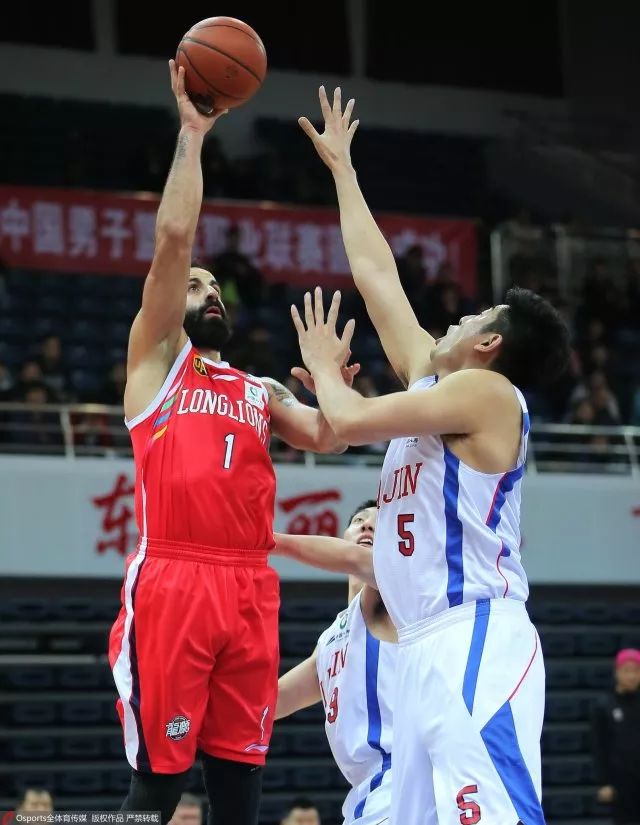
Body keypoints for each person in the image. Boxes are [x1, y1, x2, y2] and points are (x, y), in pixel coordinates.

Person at [292, 86, 572, 825]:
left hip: (473, 628)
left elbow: (349, 420)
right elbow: (378, 278)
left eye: (475, 315)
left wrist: (323, 366)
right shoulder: (440, 380)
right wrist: (343, 172)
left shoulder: (484, 395)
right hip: (421, 644)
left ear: (488, 345)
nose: (457, 314)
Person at [108, 63, 354, 825]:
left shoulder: (259, 391)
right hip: (176, 578)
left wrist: (328, 384)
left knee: (240, 786)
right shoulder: (156, 361)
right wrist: (192, 133)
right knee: (158, 787)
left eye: (217, 289)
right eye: (195, 287)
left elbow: (328, 436)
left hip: (250, 586)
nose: (209, 292)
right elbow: (177, 234)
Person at [275, 501, 395, 825]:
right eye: (359, 520)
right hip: (365, 794)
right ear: (344, 535)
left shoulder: (397, 596)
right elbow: (274, 700)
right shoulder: (330, 639)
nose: (367, 526)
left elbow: (355, 559)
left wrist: (267, 539)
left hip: (404, 783)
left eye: (378, 522)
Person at [591, 648, 640, 825]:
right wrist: (604, 782)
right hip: (620, 782)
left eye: (636, 671)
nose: (632, 676)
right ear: (617, 672)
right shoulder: (604, 705)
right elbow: (599, 747)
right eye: (627, 671)